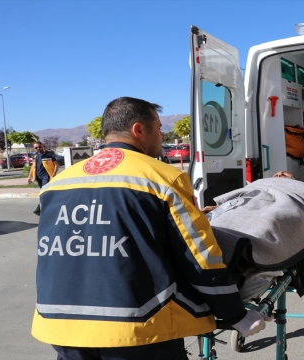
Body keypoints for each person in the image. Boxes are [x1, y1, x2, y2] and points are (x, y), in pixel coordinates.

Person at [31, 97, 269, 360]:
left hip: (61, 325)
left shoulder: (57, 184)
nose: (162, 134)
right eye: (158, 127)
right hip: (136, 327)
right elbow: (199, 255)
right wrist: (235, 313)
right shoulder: (163, 178)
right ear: (139, 130)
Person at [27, 141, 58, 215]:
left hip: (46, 176)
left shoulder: (49, 154)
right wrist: (29, 176)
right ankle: (48, 207)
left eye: (39, 147)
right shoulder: (36, 155)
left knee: (43, 193)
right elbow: (33, 166)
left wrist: (53, 175)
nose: (38, 148)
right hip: (38, 177)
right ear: (34, 148)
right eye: (36, 147)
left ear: (42, 146)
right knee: (44, 192)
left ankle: (39, 208)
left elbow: (56, 164)